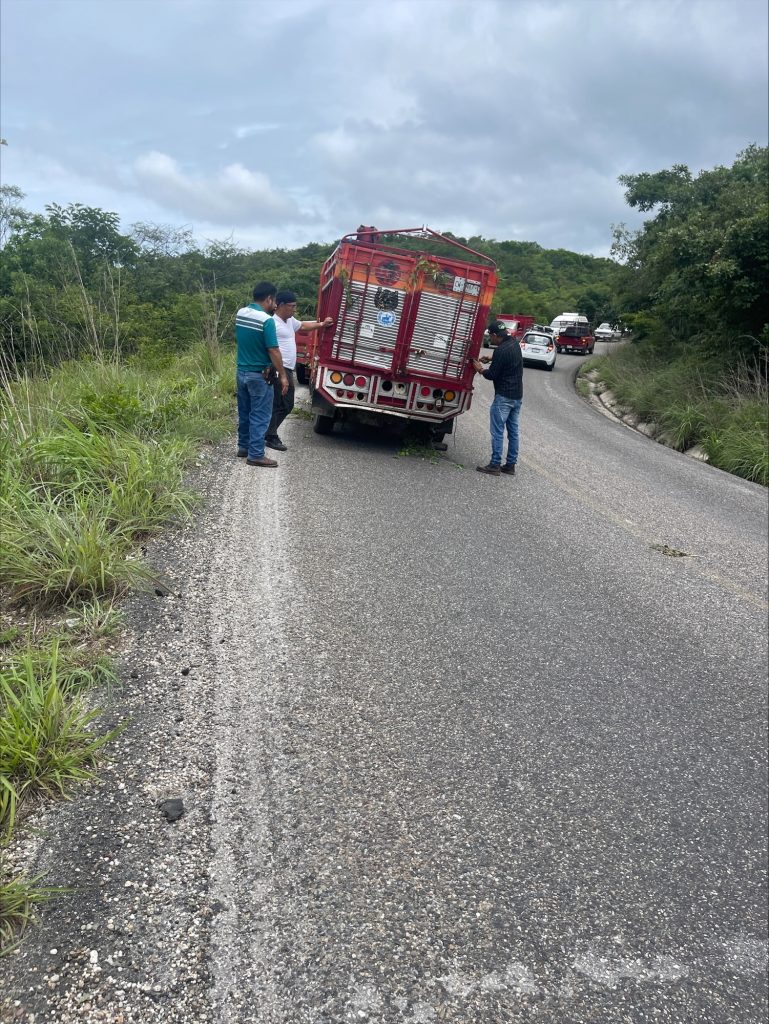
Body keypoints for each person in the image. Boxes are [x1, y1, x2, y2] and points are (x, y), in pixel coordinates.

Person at [265, 291, 334, 452]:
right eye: (292, 306)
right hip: (279, 368)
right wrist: (277, 371)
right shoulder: (272, 323)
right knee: (280, 403)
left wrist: (322, 325)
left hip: (287, 369)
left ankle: (267, 433)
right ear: (281, 305)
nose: (294, 309)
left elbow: (302, 325)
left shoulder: (289, 321)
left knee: (285, 404)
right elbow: (270, 348)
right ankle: (270, 435)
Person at [235, 282, 288, 467]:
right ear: (269, 298)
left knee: (245, 412)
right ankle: (256, 454)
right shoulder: (267, 321)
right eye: (274, 300)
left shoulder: (241, 313)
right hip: (260, 375)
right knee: (260, 415)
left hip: (241, 372)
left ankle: (244, 447)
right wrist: (283, 375)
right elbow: (273, 350)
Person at [471, 321, 523, 476]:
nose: (490, 339)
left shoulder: (500, 350)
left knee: (497, 431)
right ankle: (510, 465)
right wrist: (491, 358)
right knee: (513, 432)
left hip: (503, 397)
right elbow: (507, 359)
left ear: (494, 335)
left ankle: (495, 464)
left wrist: (480, 369)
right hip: (517, 397)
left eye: (490, 336)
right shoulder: (514, 343)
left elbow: (492, 375)